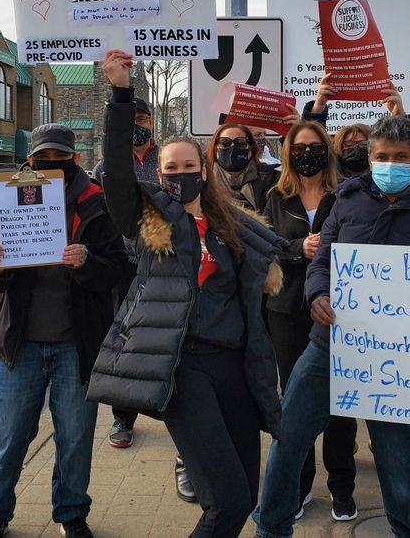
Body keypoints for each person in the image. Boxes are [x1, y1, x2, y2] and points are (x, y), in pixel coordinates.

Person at [88, 49, 286, 538]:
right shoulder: (148, 222)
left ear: (205, 169)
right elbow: (114, 172)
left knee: (245, 494)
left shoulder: (232, 228)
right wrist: (120, 93)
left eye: (188, 165)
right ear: (158, 173)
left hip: (235, 369)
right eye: (169, 167)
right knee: (227, 503)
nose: (179, 174)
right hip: (181, 369)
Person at [253, 115, 410, 538]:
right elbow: (322, 260)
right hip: (329, 343)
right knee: (289, 436)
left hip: (398, 356)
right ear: (370, 159)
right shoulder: (349, 198)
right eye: (381, 156)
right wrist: (317, 295)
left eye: (401, 157)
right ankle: (271, 527)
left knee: (399, 457)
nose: (390, 163)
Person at [0, 124, 126, 538]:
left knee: (75, 438)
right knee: (8, 438)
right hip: (17, 344)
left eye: (60, 157)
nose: (51, 164)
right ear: (30, 157)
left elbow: (118, 268)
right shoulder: (8, 198)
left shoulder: (95, 202)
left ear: (74, 158)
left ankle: (72, 514)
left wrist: (88, 261)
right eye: (43, 157)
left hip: (76, 345)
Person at [262, 121, 359, 522]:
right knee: (294, 401)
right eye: (299, 148)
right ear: (288, 154)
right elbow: (265, 245)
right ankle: (300, 486)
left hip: (336, 310)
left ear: (327, 151)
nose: (307, 154)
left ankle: (342, 486)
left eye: (315, 146)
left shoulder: (347, 194)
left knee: (340, 400)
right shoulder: (276, 197)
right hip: (286, 311)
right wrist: (297, 248)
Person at [92, 97, 158, 452]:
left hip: (164, 263)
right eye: (131, 118)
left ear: (151, 121)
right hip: (123, 265)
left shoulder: (167, 161)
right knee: (123, 339)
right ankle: (123, 416)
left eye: (143, 118)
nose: (138, 124)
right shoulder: (107, 167)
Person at [206, 123, 279, 213]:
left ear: (251, 149)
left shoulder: (272, 181)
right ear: (215, 149)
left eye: (241, 143)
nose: (232, 148)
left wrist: (292, 129)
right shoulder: (202, 181)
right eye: (225, 143)